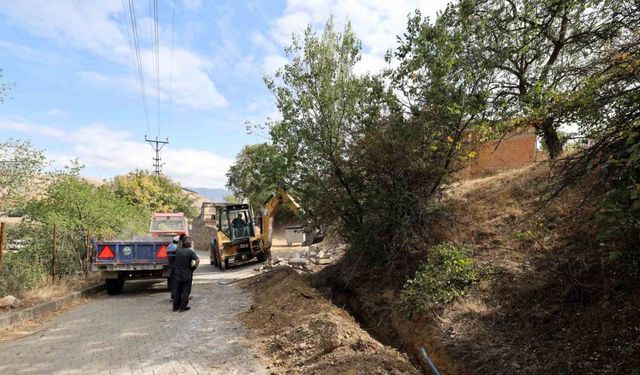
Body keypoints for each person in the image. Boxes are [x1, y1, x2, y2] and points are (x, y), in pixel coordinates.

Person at [172, 236, 199, 312]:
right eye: (190, 242)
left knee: (177, 290)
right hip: (186, 274)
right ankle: (183, 306)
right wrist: (193, 268)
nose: (191, 243)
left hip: (177, 274)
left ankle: (175, 306)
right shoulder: (190, 252)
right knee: (186, 291)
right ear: (188, 243)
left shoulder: (177, 250)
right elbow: (197, 260)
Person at [167, 236, 179, 300]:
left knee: (172, 281)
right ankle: (176, 296)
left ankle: (173, 294)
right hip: (175, 267)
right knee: (176, 281)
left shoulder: (169, 246)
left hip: (171, 266)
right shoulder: (176, 247)